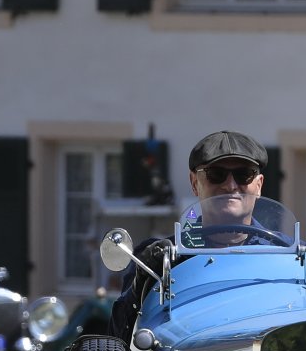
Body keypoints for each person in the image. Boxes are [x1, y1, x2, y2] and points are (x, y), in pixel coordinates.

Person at [108, 130, 270, 338]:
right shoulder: (163, 256)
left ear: (259, 185)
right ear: (195, 183)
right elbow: (118, 339)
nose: (230, 185)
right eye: (216, 174)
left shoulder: (287, 253)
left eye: (244, 174)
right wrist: (140, 285)